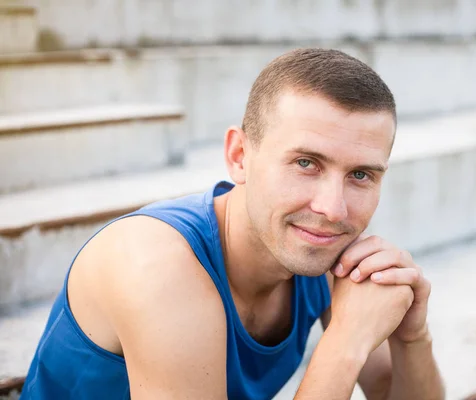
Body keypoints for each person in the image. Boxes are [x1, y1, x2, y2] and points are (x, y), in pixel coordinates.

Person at [21, 48, 444, 399]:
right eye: (305, 163)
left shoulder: (319, 250)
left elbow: (392, 391)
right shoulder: (156, 263)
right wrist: (344, 343)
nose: (333, 209)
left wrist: (412, 337)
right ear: (239, 156)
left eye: (360, 175)